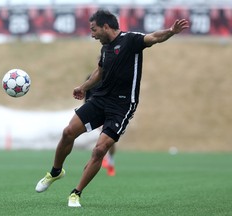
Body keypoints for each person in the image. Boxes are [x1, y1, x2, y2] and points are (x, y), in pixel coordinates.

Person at [35, 9, 189, 207]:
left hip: (122, 105)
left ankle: (76, 193)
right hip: (100, 99)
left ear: (105, 26)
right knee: (68, 132)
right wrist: (83, 87)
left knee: (99, 150)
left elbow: (154, 37)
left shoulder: (131, 40)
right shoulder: (105, 47)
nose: (92, 34)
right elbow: (100, 70)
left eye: (94, 29)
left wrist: (170, 31)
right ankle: (55, 172)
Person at [85, 74, 116, 176]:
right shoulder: (91, 78)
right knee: (103, 138)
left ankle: (110, 160)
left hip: (112, 112)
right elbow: (87, 97)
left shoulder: (114, 76)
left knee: (110, 140)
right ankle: (96, 161)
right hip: (96, 111)